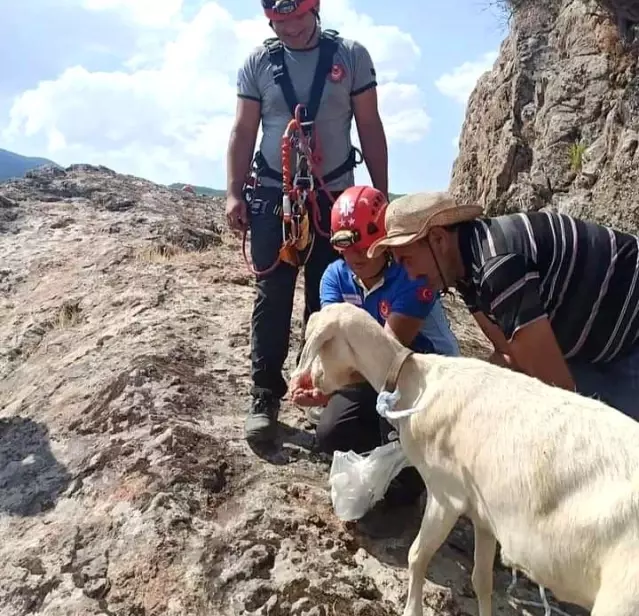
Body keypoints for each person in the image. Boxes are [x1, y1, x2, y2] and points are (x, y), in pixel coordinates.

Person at [225, 0, 389, 447]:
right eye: (280, 21)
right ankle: (264, 394)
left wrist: (381, 193)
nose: (290, 28)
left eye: (297, 17)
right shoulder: (259, 62)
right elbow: (244, 130)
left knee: (327, 295)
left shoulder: (350, 57)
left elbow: (369, 123)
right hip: (275, 195)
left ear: (314, 9)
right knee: (273, 293)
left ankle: (320, 387)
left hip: (332, 196)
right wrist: (235, 191)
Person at [366, 191, 639, 421]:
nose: (410, 275)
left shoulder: (497, 267)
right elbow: (509, 353)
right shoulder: (465, 268)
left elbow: (562, 395)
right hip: (597, 348)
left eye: (407, 260)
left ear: (438, 240)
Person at [290, 186, 460, 506]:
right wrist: (321, 384)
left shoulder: (411, 274)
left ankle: (413, 473)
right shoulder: (334, 278)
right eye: (346, 245)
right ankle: (393, 454)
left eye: (366, 244)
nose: (357, 256)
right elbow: (337, 344)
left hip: (421, 375)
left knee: (394, 417)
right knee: (330, 434)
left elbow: (389, 360)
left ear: (384, 242)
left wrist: (331, 388)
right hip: (369, 374)